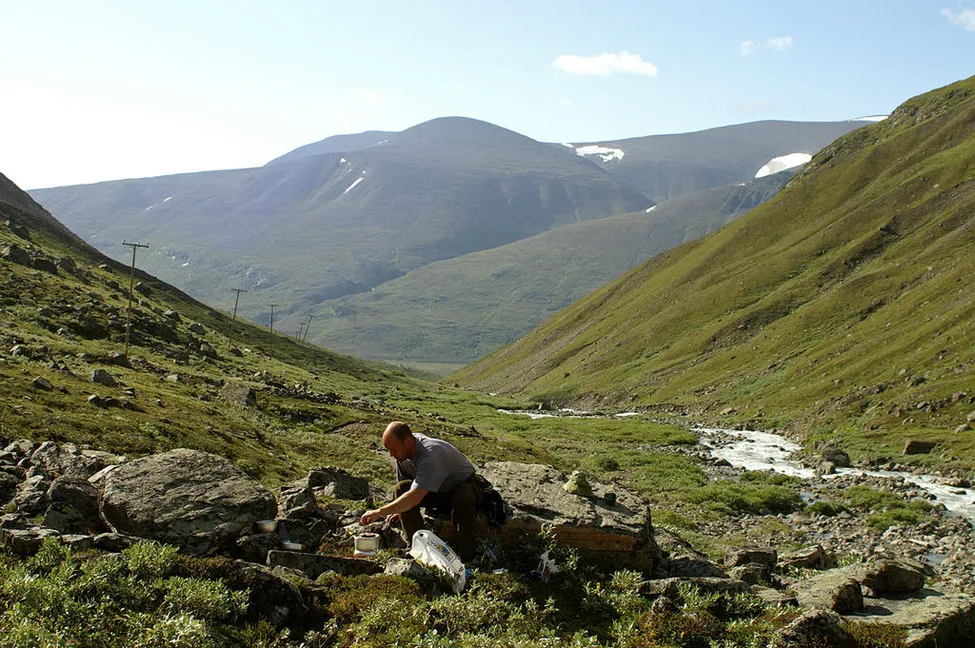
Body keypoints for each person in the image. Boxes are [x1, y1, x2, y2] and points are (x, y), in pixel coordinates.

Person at [360, 421, 483, 561]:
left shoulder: (430, 455)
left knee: (462, 497)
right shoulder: (403, 454)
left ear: (406, 442)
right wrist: (397, 509)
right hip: (438, 490)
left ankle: (467, 559)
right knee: (401, 488)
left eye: (393, 449)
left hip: (465, 485)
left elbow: (414, 497)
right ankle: (417, 549)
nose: (391, 454)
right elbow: (406, 488)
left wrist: (379, 512)